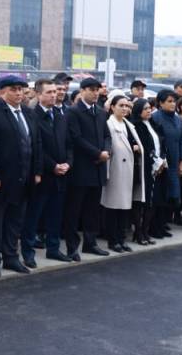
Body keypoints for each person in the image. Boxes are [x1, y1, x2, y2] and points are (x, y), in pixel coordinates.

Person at [0, 74, 42, 277]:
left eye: (20, 89)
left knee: (15, 221)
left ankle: (11, 257)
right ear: (2, 92)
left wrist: (37, 171)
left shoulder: (28, 112)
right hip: (1, 179)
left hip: (24, 177)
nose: (18, 93)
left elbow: (36, 143)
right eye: (13, 89)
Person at [23, 79, 71, 266]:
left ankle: (53, 248)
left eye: (55, 91)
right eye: (49, 92)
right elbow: (36, 147)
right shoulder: (32, 116)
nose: (54, 95)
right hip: (41, 175)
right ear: (38, 94)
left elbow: (69, 144)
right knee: (33, 216)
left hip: (61, 175)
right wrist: (53, 166)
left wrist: (67, 163)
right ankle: (28, 252)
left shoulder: (60, 116)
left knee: (55, 215)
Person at [63, 77, 110, 260]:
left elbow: (107, 136)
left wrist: (106, 151)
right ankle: (72, 247)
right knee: (74, 210)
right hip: (81, 168)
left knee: (92, 209)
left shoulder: (100, 112)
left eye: (97, 90)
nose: (95, 93)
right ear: (82, 91)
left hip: (98, 168)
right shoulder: (73, 112)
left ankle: (90, 243)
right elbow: (76, 138)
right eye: (91, 89)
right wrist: (97, 154)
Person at [102, 95, 142, 249]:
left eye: (127, 106)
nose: (125, 108)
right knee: (113, 207)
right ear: (112, 107)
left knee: (124, 207)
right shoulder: (109, 124)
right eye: (121, 105)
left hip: (128, 170)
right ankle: (113, 241)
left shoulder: (128, 124)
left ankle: (121, 239)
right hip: (115, 170)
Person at [150, 90, 182, 237]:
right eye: (169, 101)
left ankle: (163, 224)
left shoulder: (177, 119)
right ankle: (154, 227)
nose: (173, 104)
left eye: (174, 101)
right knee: (159, 196)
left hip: (174, 162)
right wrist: (159, 161)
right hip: (160, 164)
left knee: (171, 195)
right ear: (161, 103)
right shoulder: (155, 118)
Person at [128, 98, 161, 244]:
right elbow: (141, 148)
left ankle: (146, 231)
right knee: (140, 201)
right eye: (145, 109)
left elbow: (160, 144)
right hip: (143, 168)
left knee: (152, 201)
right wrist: (154, 161)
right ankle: (138, 232)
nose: (149, 111)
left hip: (157, 168)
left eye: (149, 108)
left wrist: (162, 160)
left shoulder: (153, 124)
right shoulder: (135, 126)